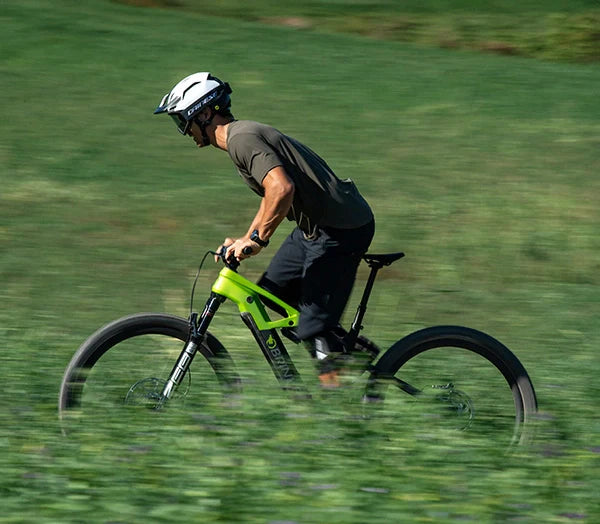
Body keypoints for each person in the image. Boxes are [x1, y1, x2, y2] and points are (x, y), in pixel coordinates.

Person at [154, 72, 374, 387]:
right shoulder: (239, 139)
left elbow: (281, 189)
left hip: (341, 228)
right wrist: (245, 238)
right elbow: (272, 195)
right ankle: (348, 350)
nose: (184, 130)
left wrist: (257, 240)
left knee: (313, 328)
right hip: (315, 228)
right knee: (272, 292)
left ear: (204, 113)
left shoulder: (241, 139)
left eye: (182, 121)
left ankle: (338, 410)